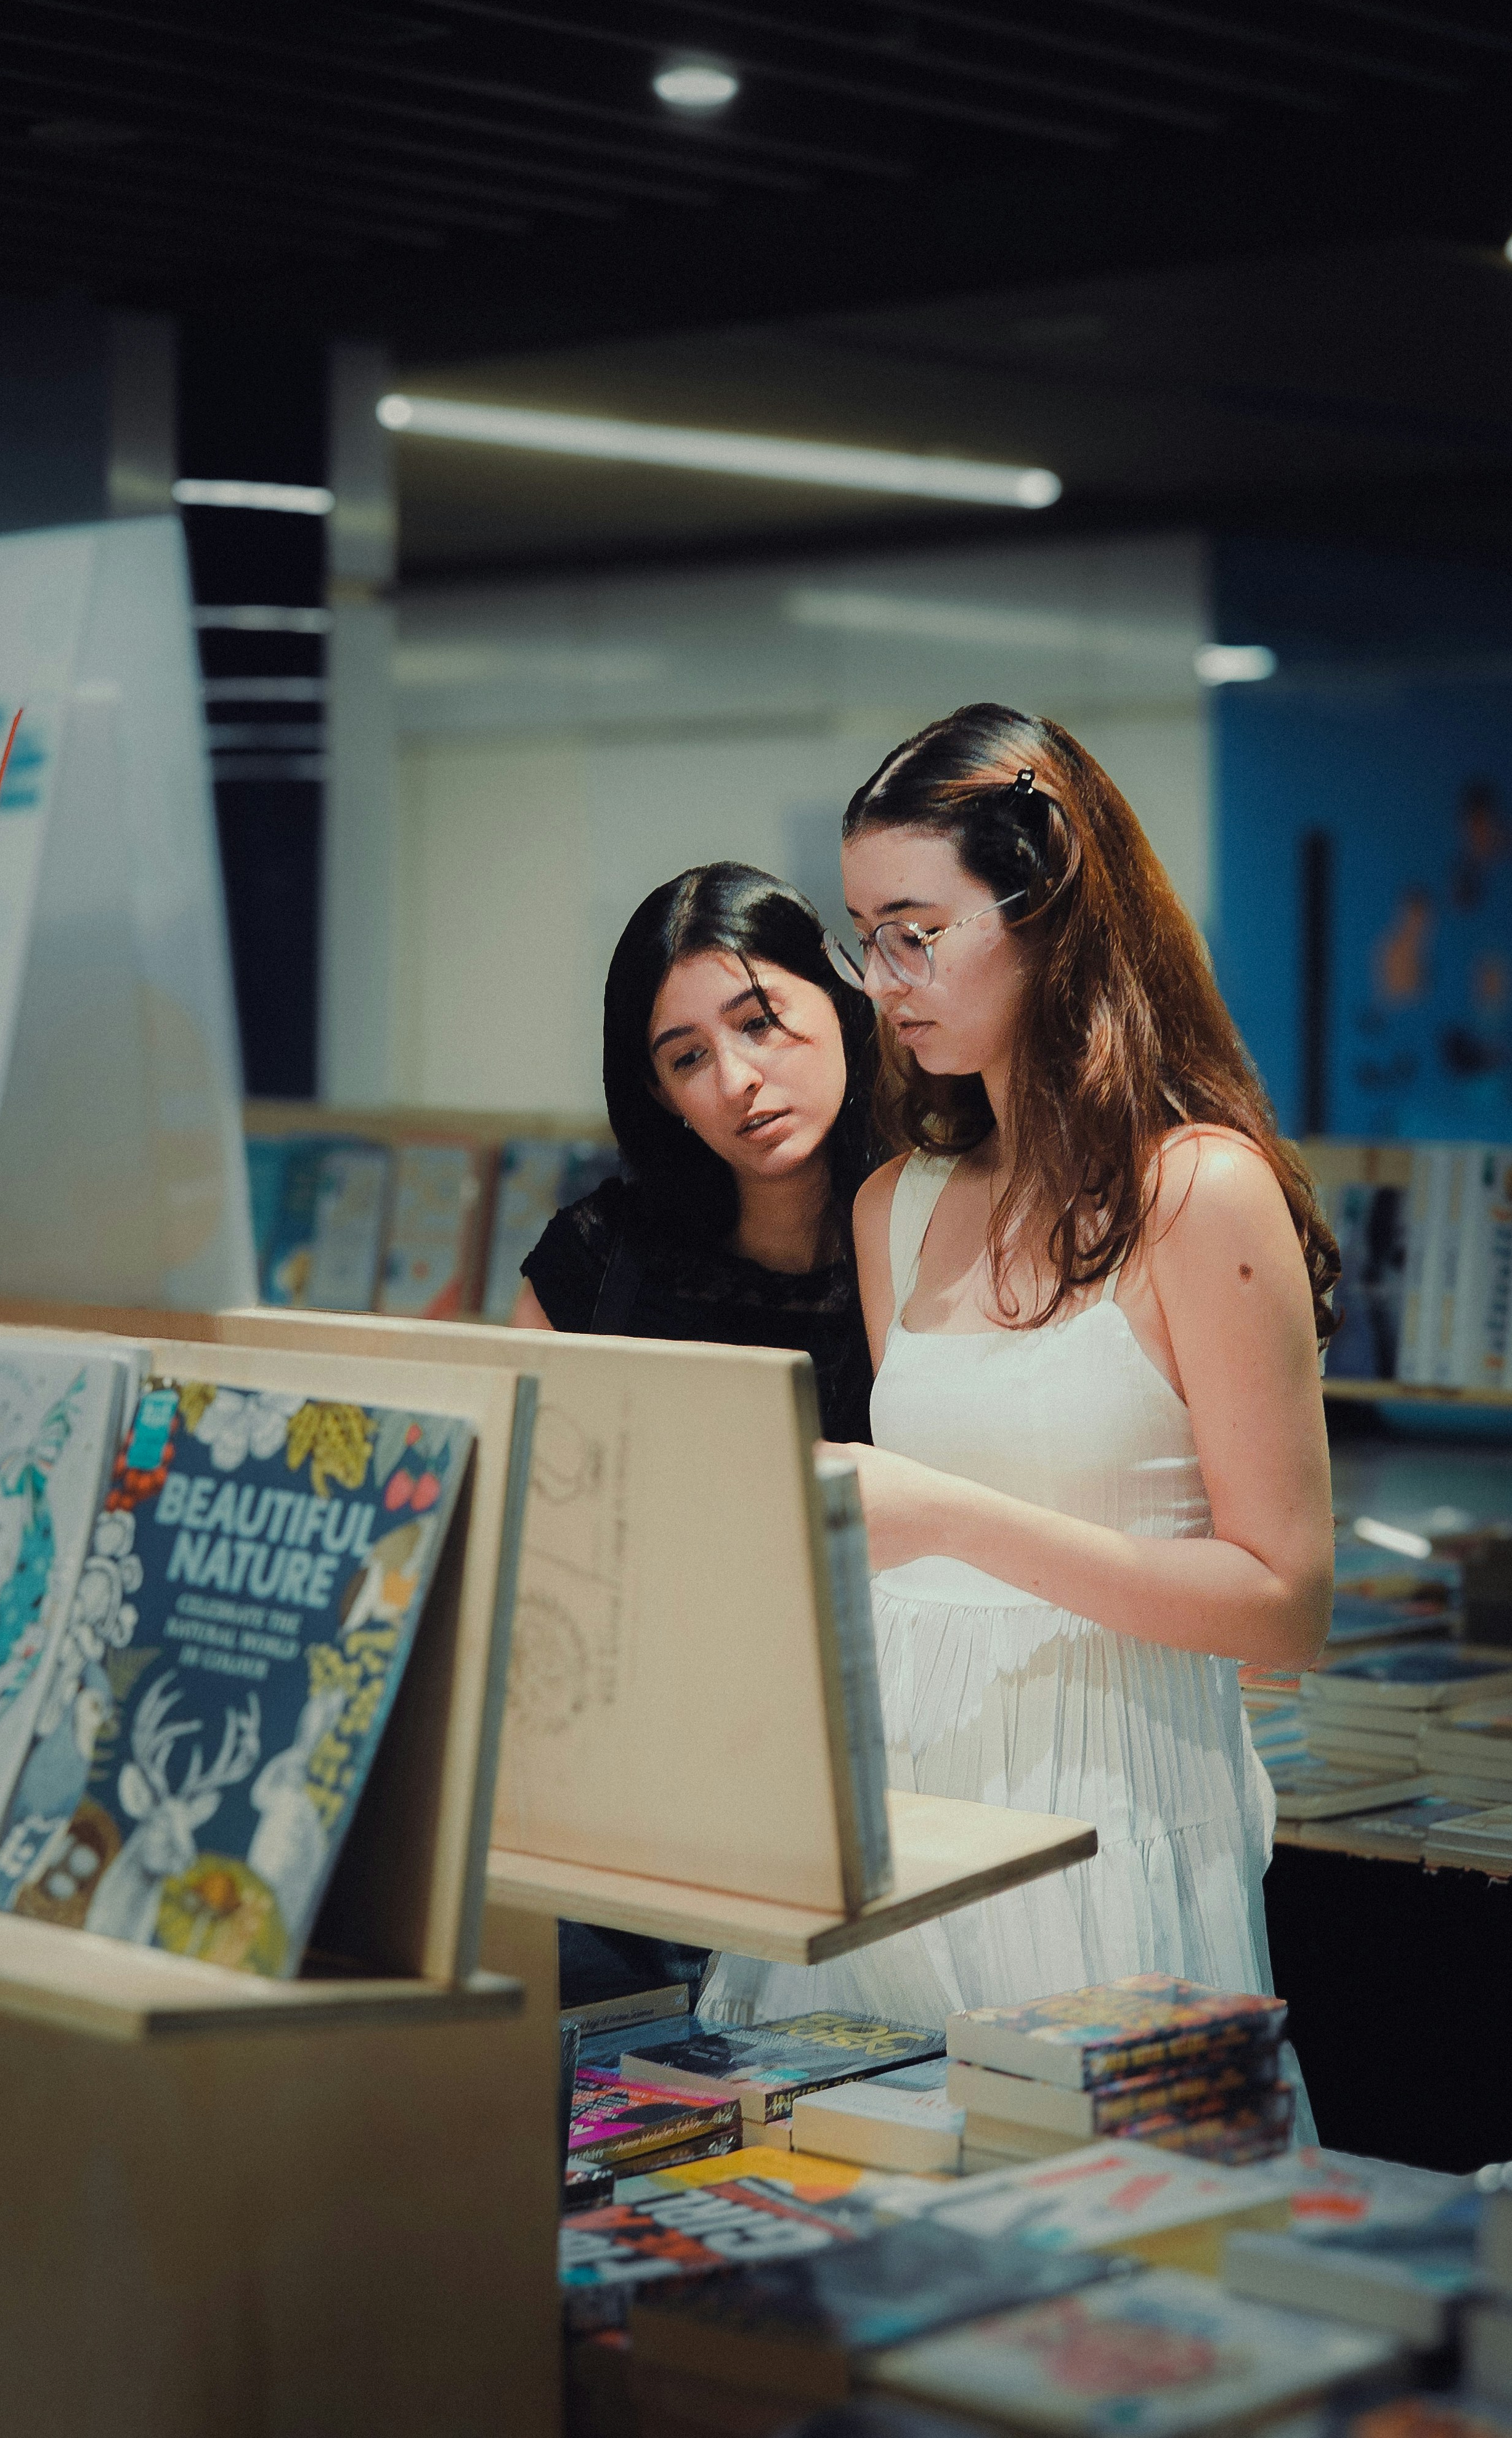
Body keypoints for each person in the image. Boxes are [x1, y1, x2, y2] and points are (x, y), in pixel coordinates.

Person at [702, 704, 1337, 2048]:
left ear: (1045, 909)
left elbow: (1283, 1603)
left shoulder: (1199, 1191)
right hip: (899, 1803)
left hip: (1100, 1802)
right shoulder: (896, 1203)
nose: (882, 979)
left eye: (916, 933)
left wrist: (944, 1517)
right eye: (867, 934)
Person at [512, 860, 882, 1444]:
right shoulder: (595, 1260)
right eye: (689, 1058)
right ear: (662, 1095)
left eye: (758, 1022)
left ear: (838, 997)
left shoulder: (947, 1227)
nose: (736, 1081)